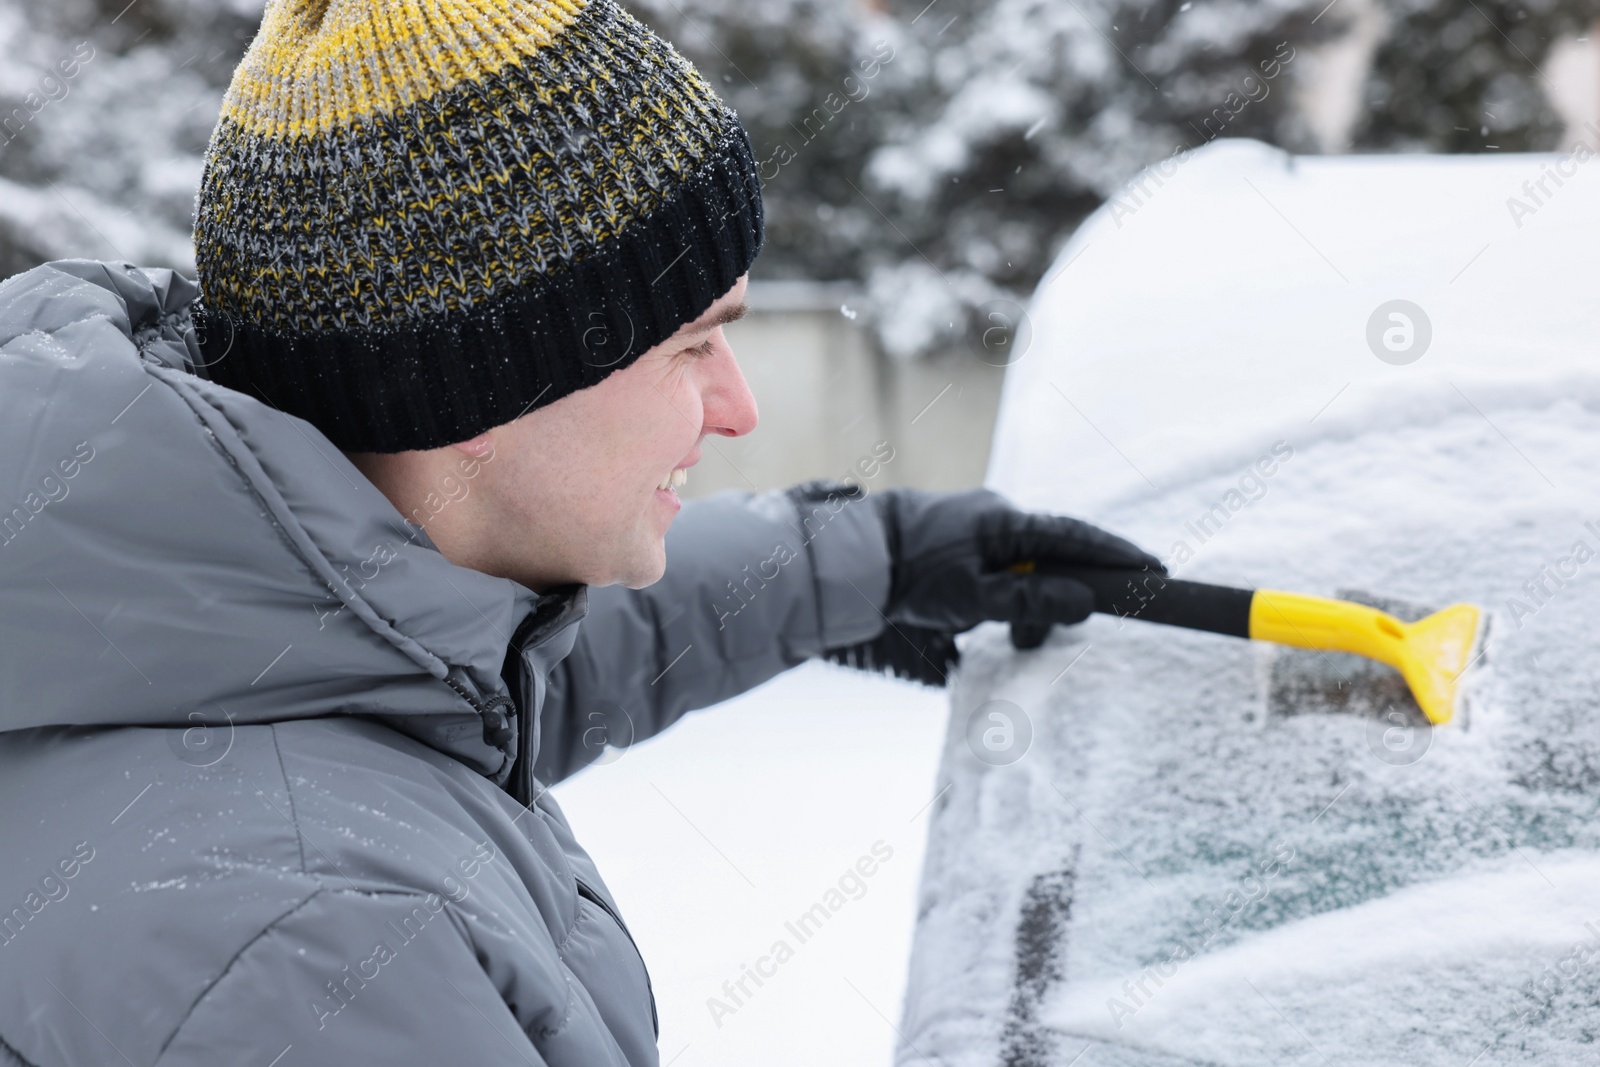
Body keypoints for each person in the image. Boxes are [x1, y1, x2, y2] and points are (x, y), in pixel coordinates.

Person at [0, 1, 1161, 1064]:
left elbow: (484, 671)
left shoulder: (185, 620)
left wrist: (874, 558)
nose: (737, 407)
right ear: (476, 391)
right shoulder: (319, 943)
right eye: (690, 345)